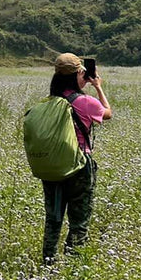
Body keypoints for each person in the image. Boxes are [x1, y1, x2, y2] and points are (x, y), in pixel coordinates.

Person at [41, 53, 111, 264]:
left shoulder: (48, 102)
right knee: (79, 221)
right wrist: (97, 86)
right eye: (82, 72)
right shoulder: (85, 102)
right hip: (79, 165)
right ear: (77, 75)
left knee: (53, 219)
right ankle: (74, 264)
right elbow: (107, 113)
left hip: (52, 166)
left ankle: (48, 263)